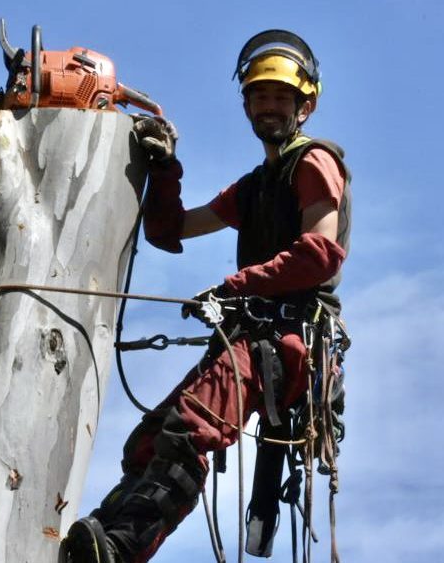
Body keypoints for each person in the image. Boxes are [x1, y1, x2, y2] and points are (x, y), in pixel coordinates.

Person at [64, 29, 352, 563]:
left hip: (289, 339)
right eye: (259, 95)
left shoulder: (312, 163)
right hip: (250, 337)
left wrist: (235, 286)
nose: (268, 106)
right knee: (150, 441)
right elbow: (169, 230)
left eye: (280, 97)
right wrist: (163, 168)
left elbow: (320, 254)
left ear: (304, 106)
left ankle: (121, 549)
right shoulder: (254, 186)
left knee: (187, 430)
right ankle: (98, 538)